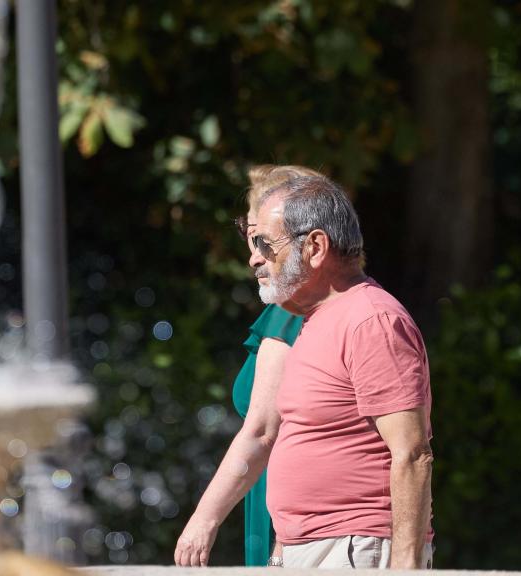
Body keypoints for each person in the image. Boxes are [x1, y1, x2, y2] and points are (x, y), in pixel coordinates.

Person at [250, 173, 433, 569]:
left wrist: (405, 567)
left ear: (315, 246)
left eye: (265, 243)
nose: (255, 256)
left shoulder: (372, 320)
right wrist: (285, 545)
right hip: (319, 549)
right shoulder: (317, 319)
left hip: (357, 550)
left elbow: (413, 452)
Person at [173, 165, 317, 567]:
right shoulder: (297, 311)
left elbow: (261, 432)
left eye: (262, 238)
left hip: (292, 518)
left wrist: (204, 520)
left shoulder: (289, 314)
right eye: (247, 234)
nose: (253, 254)